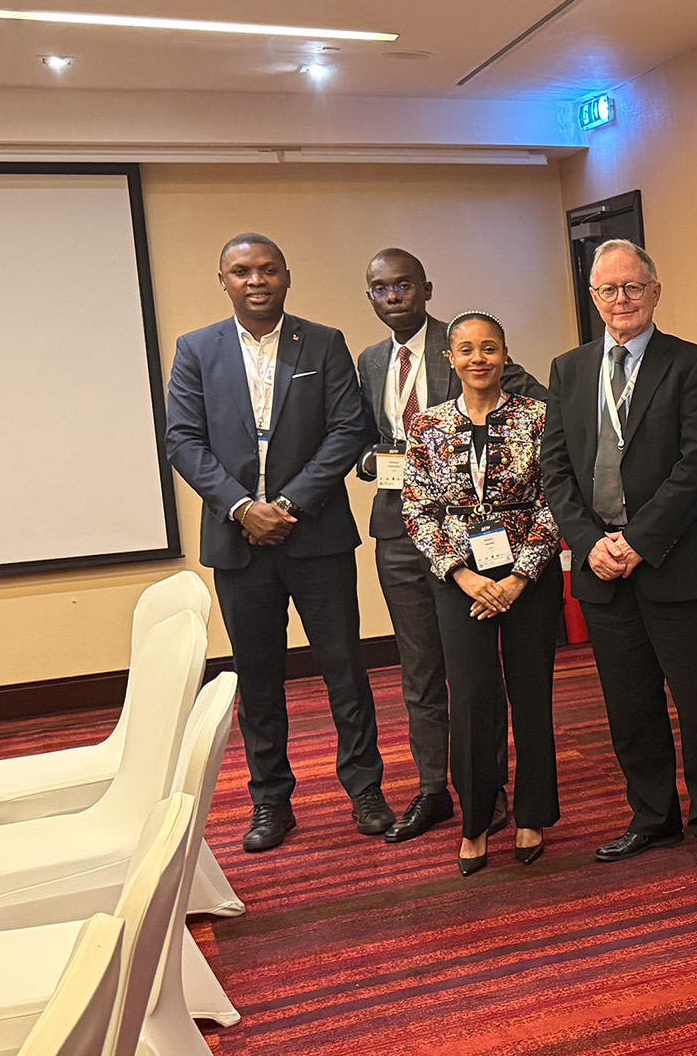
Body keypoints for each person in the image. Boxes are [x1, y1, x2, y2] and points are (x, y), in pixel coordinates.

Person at [164, 232, 391, 852]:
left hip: (315, 536)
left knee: (344, 670)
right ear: (223, 281)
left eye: (268, 269)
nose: (256, 281)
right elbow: (183, 439)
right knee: (258, 678)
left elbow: (349, 429)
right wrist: (243, 508)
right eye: (242, 271)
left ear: (287, 276)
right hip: (238, 541)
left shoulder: (323, 342)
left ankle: (365, 790)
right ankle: (270, 801)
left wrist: (286, 505)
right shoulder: (196, 349)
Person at [539, 239, 697, 868]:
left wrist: (638, 541)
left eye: (632, 287)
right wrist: (588, 543)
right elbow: (555, 470)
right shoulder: (569, 369)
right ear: (593, 297)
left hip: (677, 563)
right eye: (608, 289)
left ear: (655, 291)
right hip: (602, 568)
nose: (620, 299)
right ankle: (653, 817)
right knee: (629, 707)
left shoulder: (693, 364)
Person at [353, 247, 546, 844]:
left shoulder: (469, 340)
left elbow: (539, 419)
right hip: (403, 529)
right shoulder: (370, 360)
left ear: (426, 288)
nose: (393, 296)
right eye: (381, 288)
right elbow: (359, 435)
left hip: (493, 543)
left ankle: (490, 793)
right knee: (421, 669)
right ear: (371, 296)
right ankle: (435, 787)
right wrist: (369, 460)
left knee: (480, 676)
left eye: (404, 285)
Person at [401, 311, 564, 877]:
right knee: (470, 700)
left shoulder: (539, 417)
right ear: (450, 359)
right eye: (466, 349)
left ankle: (532, 814)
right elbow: (416, 510)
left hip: (529, 576)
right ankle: (475, 820)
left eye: (489, 348)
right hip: (459, 579)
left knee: (531, 694)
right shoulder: (427, 425)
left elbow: (556, 499)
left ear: (505, 354)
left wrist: (519, 577)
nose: (478, 359)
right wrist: (462, 574)